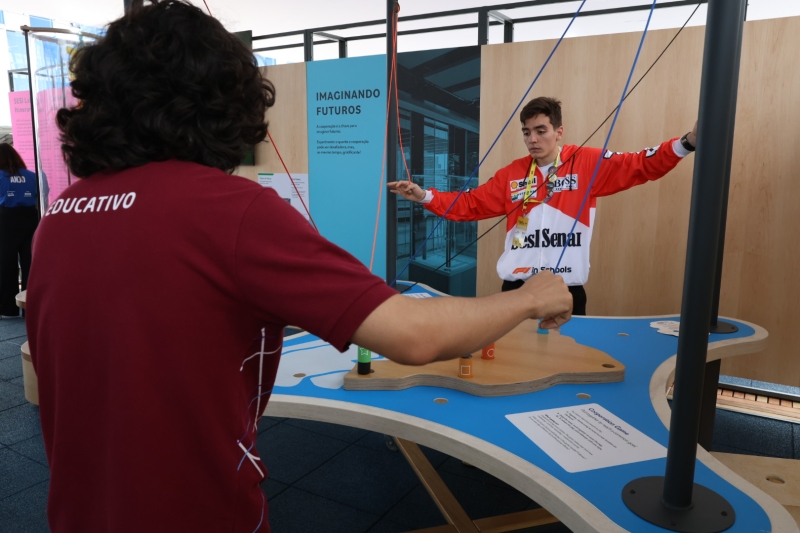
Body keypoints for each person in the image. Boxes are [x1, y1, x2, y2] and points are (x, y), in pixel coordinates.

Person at [26, 2, 573, 532]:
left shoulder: (58, 219)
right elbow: (413, 335)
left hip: (77, 514)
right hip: (200, 515)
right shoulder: (229, 210)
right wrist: (530, 296)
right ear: (223, 98)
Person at [389, 97, 697, 315]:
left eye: (541, 130)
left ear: (558, 132)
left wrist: (688, 142)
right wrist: (424, 196)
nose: (532, 139)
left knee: (567, 369)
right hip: (516, 288)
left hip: (565, 291)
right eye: (526, 132)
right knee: (512, 365)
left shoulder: (586, 162)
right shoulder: (512, 173)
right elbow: (470, 204)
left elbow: (640, 164)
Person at [0, 143, 39, 316]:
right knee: (30, 262)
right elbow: (41, 196)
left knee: (5, 264)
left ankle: (8, 308)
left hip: (5, 219)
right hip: (30, 218)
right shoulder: (33, 175)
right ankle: (31, 304)